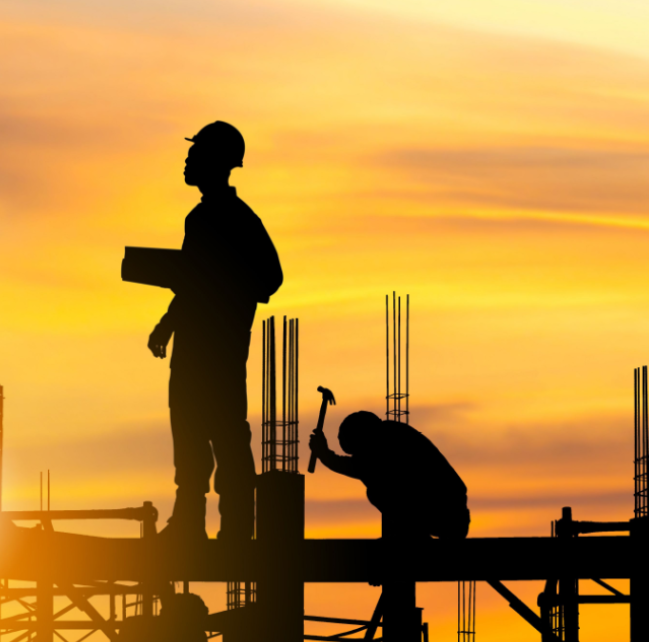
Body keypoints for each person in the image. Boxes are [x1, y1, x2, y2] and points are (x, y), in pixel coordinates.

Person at [148, 122, 283, 542]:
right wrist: (168, 324)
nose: (187, 161)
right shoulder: (201, 218)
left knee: (224, 431)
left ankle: (238, 525)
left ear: (216, 162)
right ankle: (189, 520)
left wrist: (223, 287)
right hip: (192, 347)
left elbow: (269, 278)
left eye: (195, 154)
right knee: (188, 429)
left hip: (219, 351)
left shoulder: (238, 220)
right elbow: (192, 281)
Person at [309, 411, 470, 540]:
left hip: (445, 515)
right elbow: (361, 467)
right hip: (451, 515)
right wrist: (325, 454)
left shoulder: (385, 442)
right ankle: (412, 536)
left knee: (378, 491)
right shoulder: (392, 434)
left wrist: (325, 455)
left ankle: (414, 537)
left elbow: (360, 468)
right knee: (382, 487)